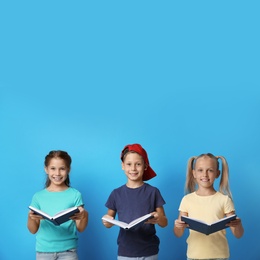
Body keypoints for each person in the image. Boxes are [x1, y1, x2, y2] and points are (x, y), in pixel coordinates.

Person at [102, 144, 168, 260]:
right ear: (122, 166)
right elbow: (108, 221)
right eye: (129, 164)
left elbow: (164, 222)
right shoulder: (116, 193)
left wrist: (158, 218)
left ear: (145, 166)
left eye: (138, 164)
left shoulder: (153, 192)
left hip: (149, 251)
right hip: (125, 252)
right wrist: (107, 221)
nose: (133, 169)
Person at [174, 153, 244, 260]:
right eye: (200, 170)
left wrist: (238, 225)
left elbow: (238, 235)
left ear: (217, 173)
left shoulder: (224, 200)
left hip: (219, 256)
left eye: (210, 170)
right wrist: (178, 226)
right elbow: (178, 234)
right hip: (194, 256)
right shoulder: (187, 200)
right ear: (194, 173)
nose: (205, 175)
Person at [27, 150, 88, 260]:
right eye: (53, 168)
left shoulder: (75, 195)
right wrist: (30, 217)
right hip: (43, 251)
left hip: (68, 251)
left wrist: (85, 215)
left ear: (68, 170)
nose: (58, 173)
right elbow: (33, 230)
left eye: (62, 169)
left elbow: (81, 228)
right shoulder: (38, 197)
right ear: (46, 169)